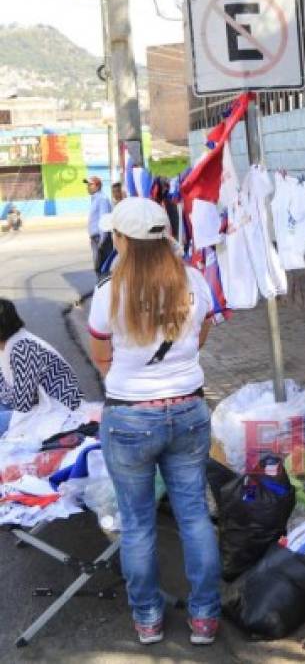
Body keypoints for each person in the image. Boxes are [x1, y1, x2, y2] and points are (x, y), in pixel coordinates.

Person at [88, 198, 221, 646]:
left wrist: (133, 385)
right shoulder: (195, 281)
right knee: (194, 516)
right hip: (188, 410)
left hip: (129, 418)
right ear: (164, 238)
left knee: (138, 523)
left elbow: (102, 355)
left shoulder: (109, 292)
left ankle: (148, 619)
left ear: (123, 241)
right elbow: (201, 335)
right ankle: (205, 618)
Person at [0, 299, 83, 437]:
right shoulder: (8, 345)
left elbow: (24, 404)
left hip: (54, 410)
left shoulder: (23, 349)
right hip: (31, 404)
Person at [86, 176, 112, 277]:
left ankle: (104, 290)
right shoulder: (95, 199)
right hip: (96, 239)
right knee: (98, 267)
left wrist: (102, 240)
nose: (88, 187)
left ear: (98, 186)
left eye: (90, 184)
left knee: (103, 267)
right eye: (88, 185)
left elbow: (104, 219)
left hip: (101, 239)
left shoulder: (102, 199)